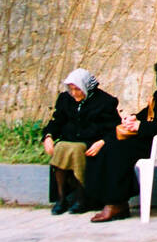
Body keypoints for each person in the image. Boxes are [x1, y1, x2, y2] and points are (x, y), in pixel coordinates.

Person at [85, 49, 157, 223]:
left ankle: (117, 203)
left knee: (119, 150)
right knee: (109, 146)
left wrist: (141, 126)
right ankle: (114, 201)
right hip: (149, 140)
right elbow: (146, 114)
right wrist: (132, 119)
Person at [42, 70, 119, 215]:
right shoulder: (65, 99)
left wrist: (101, 142)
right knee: (60, 147)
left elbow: (113, 128)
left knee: (76, 149)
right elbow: (56, 121)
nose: (74, 93)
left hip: (92, 141)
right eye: (71, 89)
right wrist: (48, 136)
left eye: (78, 89)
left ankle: (81, 198)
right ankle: (61, 198)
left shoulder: (105, 102)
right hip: (70, 138)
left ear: (87, 87)